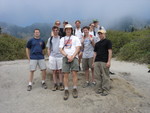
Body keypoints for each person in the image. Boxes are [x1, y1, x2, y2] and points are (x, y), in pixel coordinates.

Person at [59, 24, 81, 100]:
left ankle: (75, 88)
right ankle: (66, 89)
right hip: (65, 58)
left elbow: (78, 48)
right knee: (66, 75)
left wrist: (73, 56)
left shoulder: (76, 38)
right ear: (65, 30)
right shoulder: (62, 39)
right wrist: (67, 56)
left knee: (74, 74)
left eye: (69, 29)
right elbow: (61, 49)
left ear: (72, 30)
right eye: (67, 29)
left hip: (74, 57)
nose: (68, 30)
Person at [93, 29, 112, 96]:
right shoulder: (97, 44)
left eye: (102, 34)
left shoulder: (108, 42)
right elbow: (95, 53)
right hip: (97, 61)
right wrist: (93, 62)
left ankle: (106, 89)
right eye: (99, 34)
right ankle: (99, 88)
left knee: (105, 76)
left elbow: (110, 51)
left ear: (104, 34)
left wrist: (109, 61)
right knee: (97, 76)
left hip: (104, 61)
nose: (100, 35)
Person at [47, 26, 64, 91]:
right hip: (53, 56)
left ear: (58, 31)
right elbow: (48, 48)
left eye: (56, 30)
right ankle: (55, 84)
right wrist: (49, 56)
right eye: (54, 30)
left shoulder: (61, 38)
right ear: (52, 31)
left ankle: (61, 83)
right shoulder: (50, 39)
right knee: (54, 71)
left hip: (60, 56)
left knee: (60, 71)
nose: (55, 31)